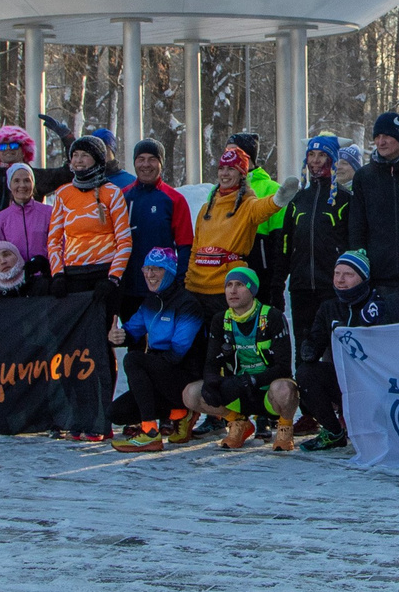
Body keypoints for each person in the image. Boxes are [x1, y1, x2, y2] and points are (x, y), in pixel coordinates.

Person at [298, 250, 399, 454]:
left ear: (363, 278)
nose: (341, 280)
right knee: (306, 373)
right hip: (345, 381)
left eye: (348, 274)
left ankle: (391, 426)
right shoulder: (329, 307)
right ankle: (334, 431)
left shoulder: (380, 303)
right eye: (337, 273)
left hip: (378, 383)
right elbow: (314, 344)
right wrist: (308, 346)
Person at [108, 249, 215, 450]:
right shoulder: (150, 301)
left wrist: (149, 375)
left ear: (170, 272)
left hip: (185, 376)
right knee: (116, 413)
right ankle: (179, 413)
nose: (150, 275)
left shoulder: (187, 304)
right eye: (147, 268)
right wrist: (117, 336)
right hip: (162, 374)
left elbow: (177, 353)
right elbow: (131, 331)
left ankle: (149, 431)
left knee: (134, 360)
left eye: (157, 269)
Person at [188, 268, 299, 451]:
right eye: (229, 285)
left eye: (240, 285)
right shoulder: (220, 320)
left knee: (285, 388)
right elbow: (211, 363)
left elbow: (283, 367)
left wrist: (251, 380)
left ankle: (285, 426)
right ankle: (238, 423)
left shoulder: (272, 317)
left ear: (252, 290)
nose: (232, 291)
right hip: (238, 391)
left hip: (268, 392)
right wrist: (211, 382)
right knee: (191, 393)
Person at [280, 136, 351, 408]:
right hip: (301, 288)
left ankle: (340, 409)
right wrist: (280, 279)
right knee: (304, 349)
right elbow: (285, 244)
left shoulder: (345, 200)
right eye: (312, 156)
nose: (316, 162)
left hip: (332, 288)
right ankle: (310, 410)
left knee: (334, 350)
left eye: (323, 156)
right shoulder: (299, 200)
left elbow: (352, 242)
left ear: (333, 160)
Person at [180, 143, 277, 304]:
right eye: (221, 168)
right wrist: (189, 281)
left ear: (241, 174)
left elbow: (264, 208)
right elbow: (195, 249)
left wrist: (279, 198)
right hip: (196, 289)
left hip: (226, 290)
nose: (224, 173)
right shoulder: (206, 208)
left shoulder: (247, 205)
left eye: (231, 169)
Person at [344, 112, 399, 281]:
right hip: (377, 272)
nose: (380, 142)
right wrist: (359, 253)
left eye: (386, 136)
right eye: (377, 136)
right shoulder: (364, 176)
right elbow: (356, 223)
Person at [46, 135, 132, 294]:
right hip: (74, 273)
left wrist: (114, 277)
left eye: (85, 155)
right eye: (75, 155)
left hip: (105, 272)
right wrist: (57, 274)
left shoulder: (112, 192)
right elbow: (54, 240)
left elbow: (125, 240)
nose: (78, 160)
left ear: (98, 159)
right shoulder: (63, 193)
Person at [122, 138, 195, 308]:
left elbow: (185, 245)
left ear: (161, 163)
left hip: (162, 287)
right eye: (141, 159)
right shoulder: (122, 197)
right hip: (128, 287)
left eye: (152, 159)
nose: (146, 164)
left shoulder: (174, 199)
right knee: (130, 334)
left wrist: (179, 281)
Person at [0, 162, 53, 285]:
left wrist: (57, 275)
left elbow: (60, 247)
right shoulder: (1, 219)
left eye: (26, 180)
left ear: (33, 183)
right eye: (16, 181)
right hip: (16, 283)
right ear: (10, 185)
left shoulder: (48, 213)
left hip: (46, 280)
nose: (22, 185)